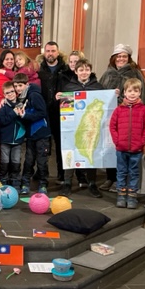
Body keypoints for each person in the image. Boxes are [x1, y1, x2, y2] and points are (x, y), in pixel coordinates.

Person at [99, 43, 145, 192]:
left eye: (124, 56)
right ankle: (110, 177)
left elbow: (143, 94)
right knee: (109, 147)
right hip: (109, 117)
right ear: (114, 58)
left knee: (124, 150)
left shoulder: (135, 73)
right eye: (118, 56)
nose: (121, 59)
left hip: (128, 118)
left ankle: (122, 182)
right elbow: (99, 92)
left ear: (128, 58)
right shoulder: (107, 74)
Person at [57, 58, 103, 198]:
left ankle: (92, 183)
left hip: (91, 127)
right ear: (76, 71)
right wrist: (59, 98)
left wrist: (114, 95)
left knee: (91, 153)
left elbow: (104, 104)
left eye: (87, 70)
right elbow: (64, 107)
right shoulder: (68, 87)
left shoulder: (98, 87)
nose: (84, 72)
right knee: (70, 152)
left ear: (90, 71)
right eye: (81, 70)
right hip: (73, 126)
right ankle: (67, 182)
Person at [109, 78, 145, 209]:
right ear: (124, 92)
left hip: (136, 149)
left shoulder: (144, 110)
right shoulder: (119, 110)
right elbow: (112, 126)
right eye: (129, 91)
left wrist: (142, 142)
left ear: (140, 92)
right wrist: (117, 141)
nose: (132, 93)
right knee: (121, 172)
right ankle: (121, 196)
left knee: (134, 173)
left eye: (136, 91)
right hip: (121, 148)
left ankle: (132, 196)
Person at [38, 41, 74, 183]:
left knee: (61, 144)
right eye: (48, 51)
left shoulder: (66, 70)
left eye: (53, 51)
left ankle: (62, 173)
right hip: (44, 112)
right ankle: (41, 173)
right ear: (44, 53)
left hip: (61, 112)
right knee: (43, 144)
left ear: (58, 52)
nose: (50, 53)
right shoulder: (39, 70)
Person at [14, 73, 51, 195]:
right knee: (29, 160)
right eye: (16, 86)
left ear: (27, 84)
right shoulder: (21, 98)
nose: (18, 88)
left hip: (41, 133)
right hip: (31, 134)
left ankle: (43, 184)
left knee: (42, 160)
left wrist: (25, 115)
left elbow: (42, 113)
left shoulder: (34, 95)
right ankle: (25, 183)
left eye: (20, 85)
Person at [0, 81, 25, 187]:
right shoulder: (3, 108)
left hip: (17, 140)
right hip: (5, 139)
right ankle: (3, 178)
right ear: (4, 95)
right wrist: (13, 113)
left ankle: (15, 179)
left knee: (16, 160)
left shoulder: (21, 105)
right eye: (7, 93)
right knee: (4, 161)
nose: (10, 94)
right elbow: (1, 121)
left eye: (12, 91)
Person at [0, 50, 15, 131]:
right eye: (7, 59)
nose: (10, 61)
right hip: (2, 107)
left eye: (12, 59)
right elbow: (6, 92)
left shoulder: (12, 73)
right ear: (2, 61)